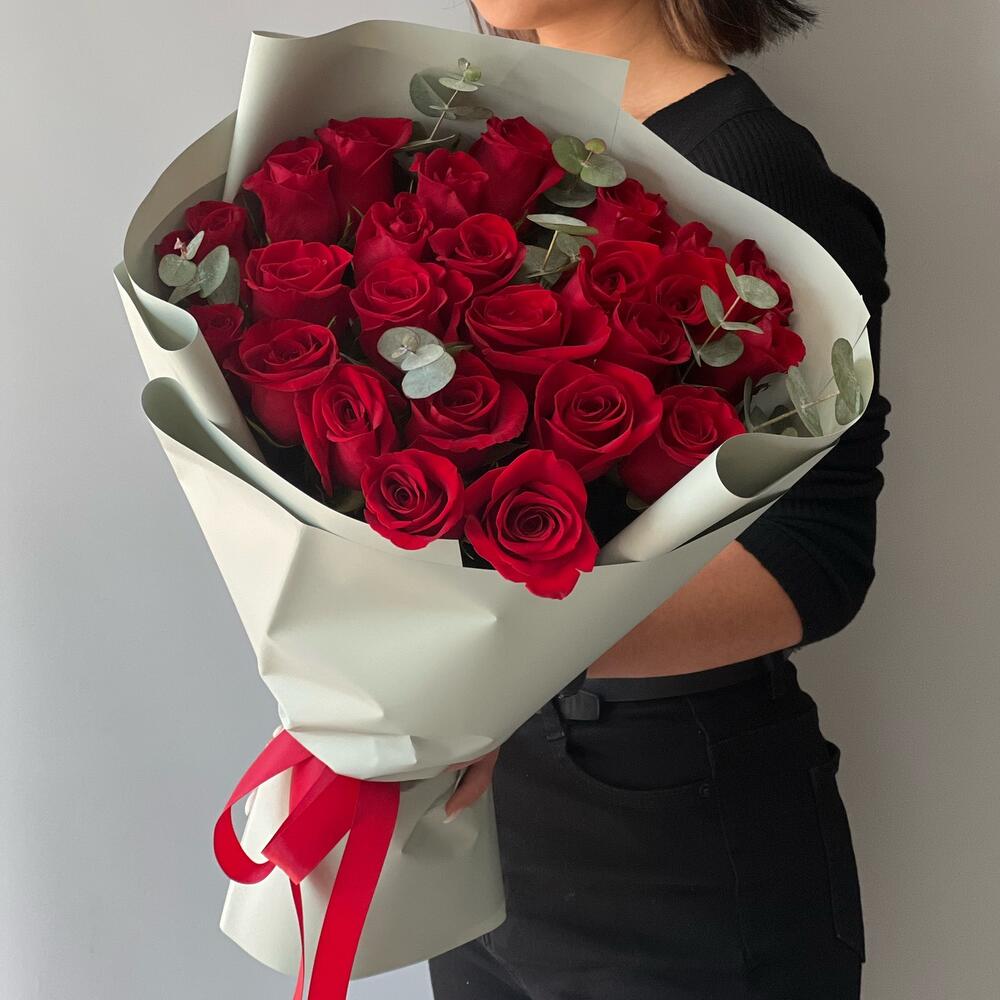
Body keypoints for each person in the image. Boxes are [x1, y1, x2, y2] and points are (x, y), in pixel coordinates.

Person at [429, 2, 891, 998]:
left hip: (668, 835)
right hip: (489, 819)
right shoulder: (497, 134)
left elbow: (813, 558)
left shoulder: (754, 172)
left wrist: (483, 657)